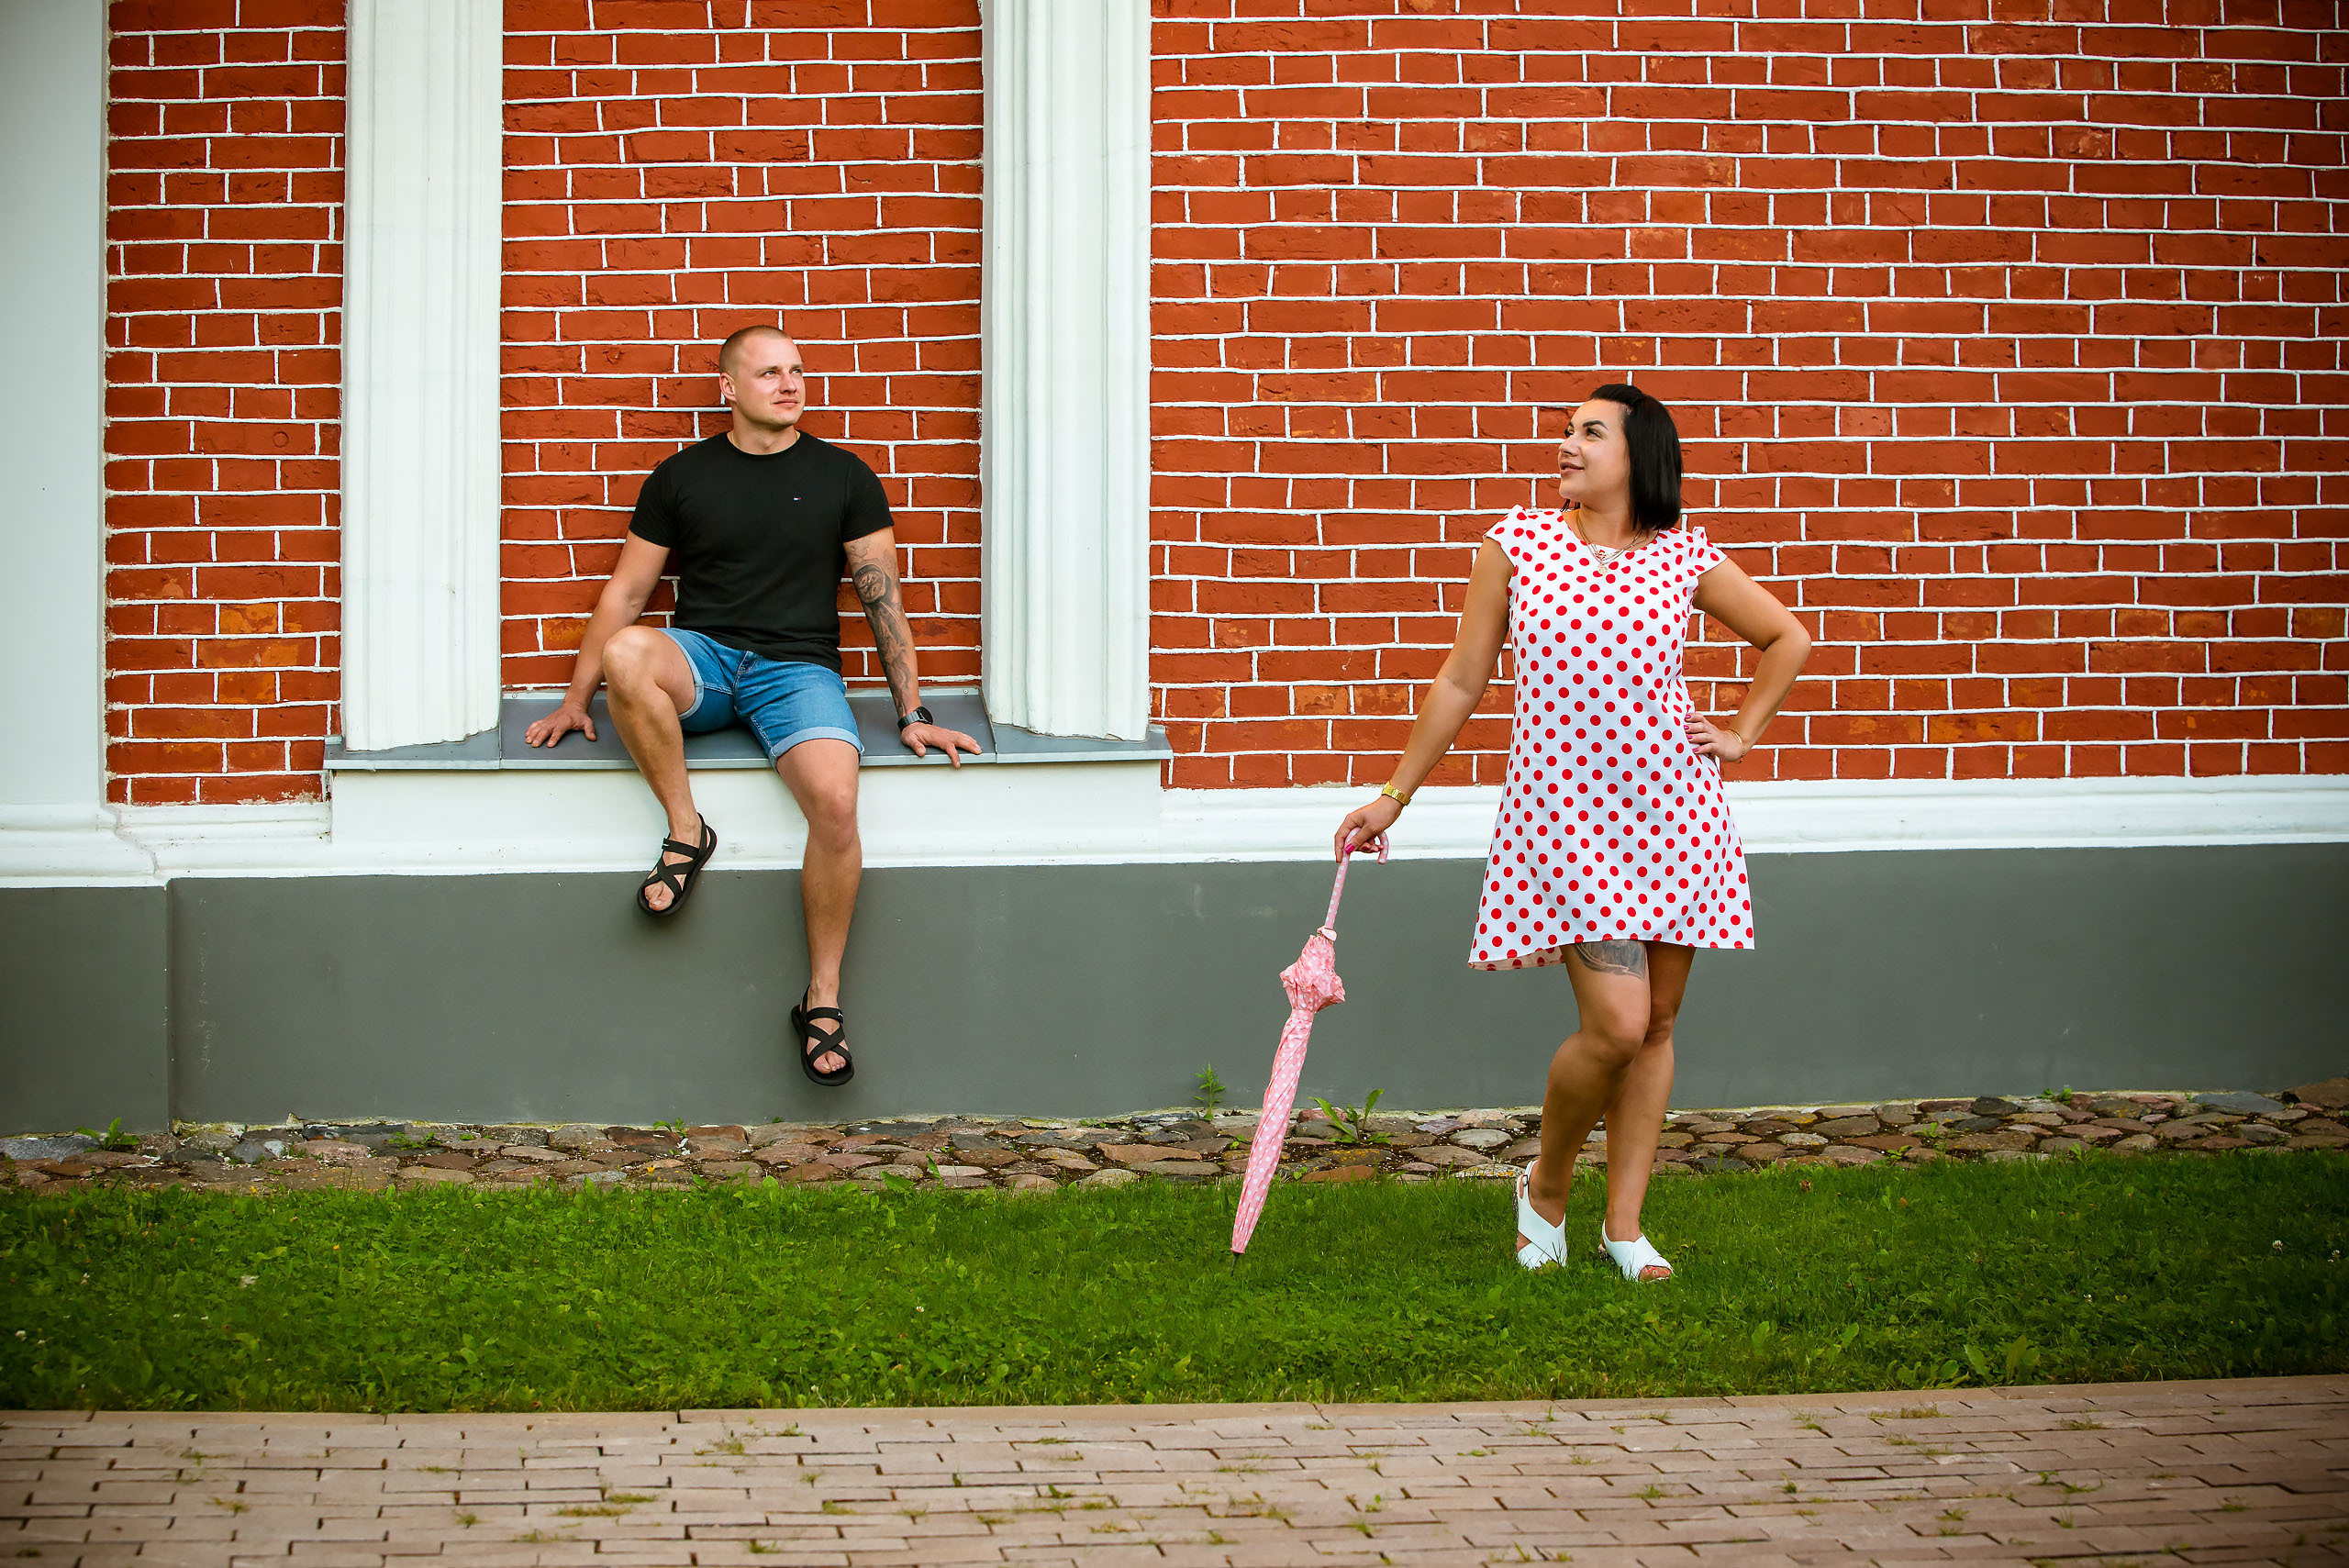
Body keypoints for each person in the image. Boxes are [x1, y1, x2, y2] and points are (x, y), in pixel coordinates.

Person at [1334, 384, 1809, 1278]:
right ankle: (1545, 1186)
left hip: (1678, 818)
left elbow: (1785, 636)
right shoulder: (1516, 545)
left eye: (1590, 432)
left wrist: (1741, 733)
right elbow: (1459, 681)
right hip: (1567, 821)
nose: (1567, 444)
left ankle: (1624, 1227)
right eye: (1564, 431)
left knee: (1659, 1024)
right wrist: (1395, 792)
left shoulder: (1682, 555)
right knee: (1619, 1024)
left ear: (1640, 454)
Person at [522, 324, 979, 1087]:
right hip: (704, 658)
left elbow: (882, 599)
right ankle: (685, 829)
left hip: (796, 670)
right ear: (729, 388)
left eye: (798, 370)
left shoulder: (844, 477)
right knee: (631, 648)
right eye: (770, 373)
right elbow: (628, 593)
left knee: (836, 800)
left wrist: (911, 713)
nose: (790, 384)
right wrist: (576, 699)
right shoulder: (681, 476)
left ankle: (822, 1000)